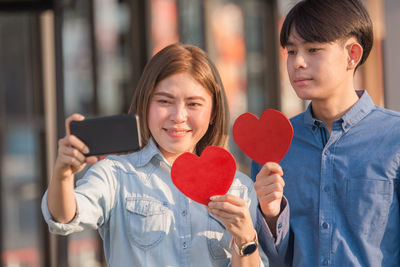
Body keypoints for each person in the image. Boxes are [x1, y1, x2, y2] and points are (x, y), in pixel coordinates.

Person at [42, 43, 268, 266]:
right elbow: (64, 217)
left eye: (193, 104)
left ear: (213, 112)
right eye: (164, 101)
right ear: (146, 104)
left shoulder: (239, 189)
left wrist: (245, 238)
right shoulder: (115, 175)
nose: (178, 116)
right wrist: (63, 172)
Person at [252, 0, 400, 266]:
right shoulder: (273, 146)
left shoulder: (394, 138)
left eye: (313, 49)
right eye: (291, 51)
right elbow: (269, 259)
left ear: (352, 54)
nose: (298, 62)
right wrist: (270, 217)